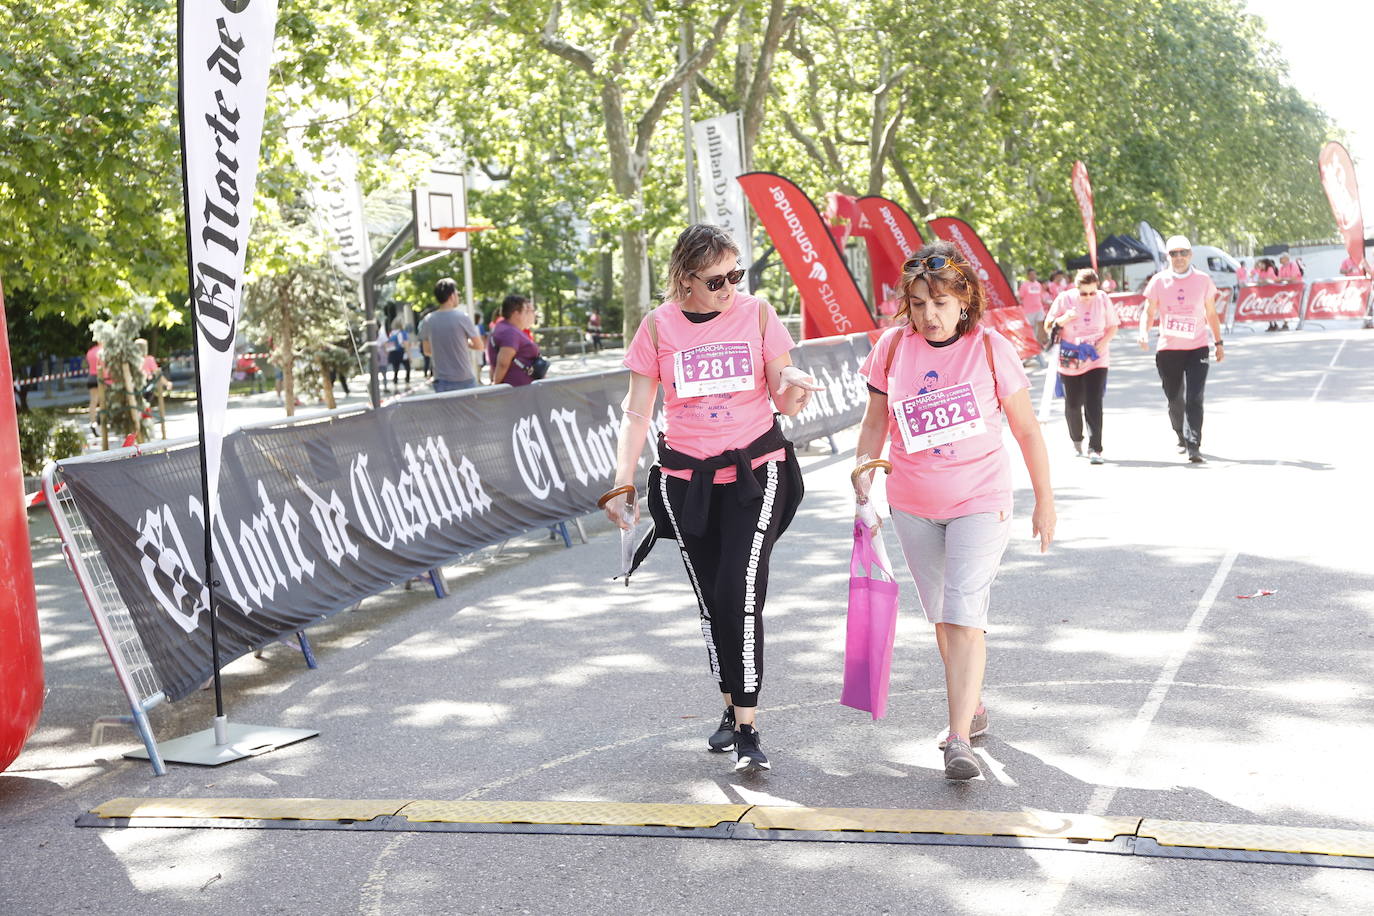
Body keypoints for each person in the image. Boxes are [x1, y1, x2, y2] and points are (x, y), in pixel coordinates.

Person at [602, 223, 822, 774]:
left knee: (739, 594)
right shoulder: (657, 328)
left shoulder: (759, 314)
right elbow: (637, 413)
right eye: (716, 279)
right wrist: (621, 479)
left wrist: (794, 380)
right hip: (684, 481)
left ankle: (747, 725)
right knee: (711, 601)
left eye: (735, 275)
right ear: (685, 279)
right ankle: (730, 706)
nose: (730, 288)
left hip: (757, 472)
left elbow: (785, 400)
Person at [854, 240, 1054, 781]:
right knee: (942, 617)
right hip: (913, 503)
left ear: (964, 299)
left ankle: (959, 738)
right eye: (918, 304)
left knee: (965, 609)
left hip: (980, 499)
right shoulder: (892, 348)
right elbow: (876, 421)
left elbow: (1027, 429)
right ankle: (974, 705)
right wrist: (865, 473)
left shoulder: (991, 348)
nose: (929, 315)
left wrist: (1045, 498)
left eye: (940, 303)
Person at [1138, 235, 1224, 464]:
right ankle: (1180, 434)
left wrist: (1218, 342)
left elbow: (1211, 313)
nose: (1178, 258)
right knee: (1175, 399)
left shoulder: (1203, 280)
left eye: (1183, 253)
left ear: (1190, 255)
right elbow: (1149, 310)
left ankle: (1194, 444)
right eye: (1174, 253)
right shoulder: (1158, 281)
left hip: (1197, 347)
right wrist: (1144, 331)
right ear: (1168, 256)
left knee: (1195, 397)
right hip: (1168, 349)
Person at [1045, 269, 1118, 463]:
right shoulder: (1064, 299)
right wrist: (1064, 318)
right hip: (1071, 358)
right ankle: (1076, 439)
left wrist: (1099, 346)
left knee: (1094, 401)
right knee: (1073, 403)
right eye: (1084, 293)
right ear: (1076, 289)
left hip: (1096, 358)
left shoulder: (1102, 299)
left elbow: (1113, 327)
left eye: (1092, 292)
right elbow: (1048, 325)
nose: (1088, 297)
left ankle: (1096, 448)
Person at [417, 278, 483, 392]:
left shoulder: (428, 320)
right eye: (457, 293)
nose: (458, 296)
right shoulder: (463, 317)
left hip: (441, 380)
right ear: (452, 296)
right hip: (464, 379)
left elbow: (427, 351)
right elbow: (479, 346)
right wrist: (463, 343)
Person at [490, 295, 543, 387]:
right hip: (517, 390)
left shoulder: (508, 329)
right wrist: (496, 385)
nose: (528, 315)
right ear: (516, 314)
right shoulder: (509, 332)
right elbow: (503, 363)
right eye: (525, 311)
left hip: (521, 389)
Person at [1017, 269, 1048, 346]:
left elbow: (1040, 297)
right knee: (1030, 328)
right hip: (1029, 310)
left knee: (1041, 325)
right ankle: (1030, 344)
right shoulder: (1024, 285)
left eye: (1034, 274)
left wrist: (1047, 302)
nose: (1033, 276)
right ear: (1028, 276)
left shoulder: (1038, 284)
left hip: (1039, 308)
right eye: (1031, 274)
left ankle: (1039, 343)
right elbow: (1019, 297)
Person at [84, 340, 103, 436]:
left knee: (93, 401)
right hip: (100, 377)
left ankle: (93, 422)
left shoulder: (89, 352)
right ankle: (100, 420)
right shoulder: (101, 350)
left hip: (91, 378)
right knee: (103, 400)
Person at [387, 318, 412, 388]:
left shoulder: (391, 333)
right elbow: (406, 344)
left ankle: (395, 385)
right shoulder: (403, 333)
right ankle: (407, 384)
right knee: (407, 367)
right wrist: (410, 356)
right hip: (401, 352)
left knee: (396, 369)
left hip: (393, 353)